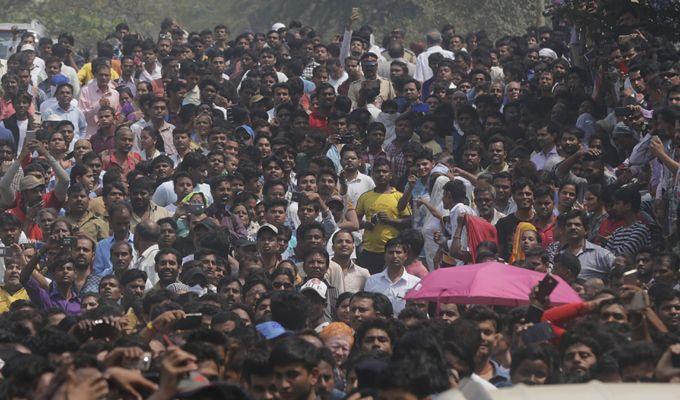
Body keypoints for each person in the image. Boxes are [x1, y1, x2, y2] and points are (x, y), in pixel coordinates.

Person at [364, 237, 420, 315]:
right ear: (385, 256)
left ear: (405, 256)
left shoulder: (415, 283)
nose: (394, 256)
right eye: (391, 252)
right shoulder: (372, 280)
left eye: (398, 252)